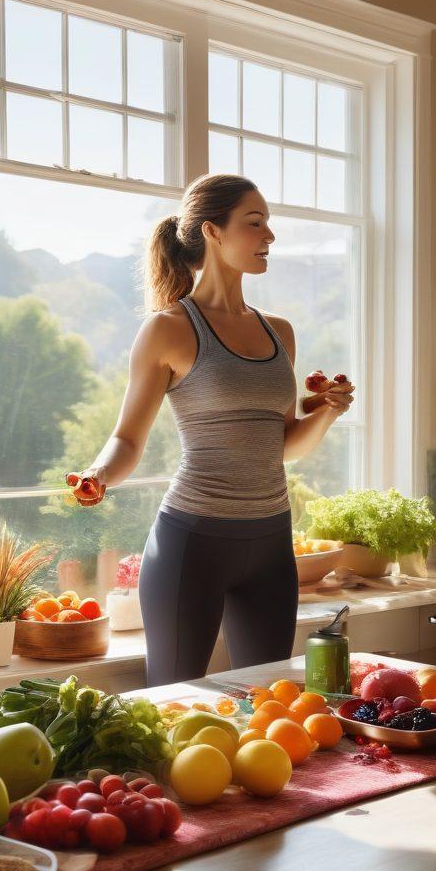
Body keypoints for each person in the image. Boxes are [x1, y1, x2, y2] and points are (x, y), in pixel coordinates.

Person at [65, 173, 354, 688]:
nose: (269, 237)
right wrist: (98, 473)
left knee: (268, 703)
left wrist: (327, 413)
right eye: (255, 223)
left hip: (270, 543)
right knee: (171, 704)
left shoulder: (278, 333)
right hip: (192, 544)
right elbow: (128, 438)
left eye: (269, 225)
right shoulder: (168, 328)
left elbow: (283, 445)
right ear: (212, 231)